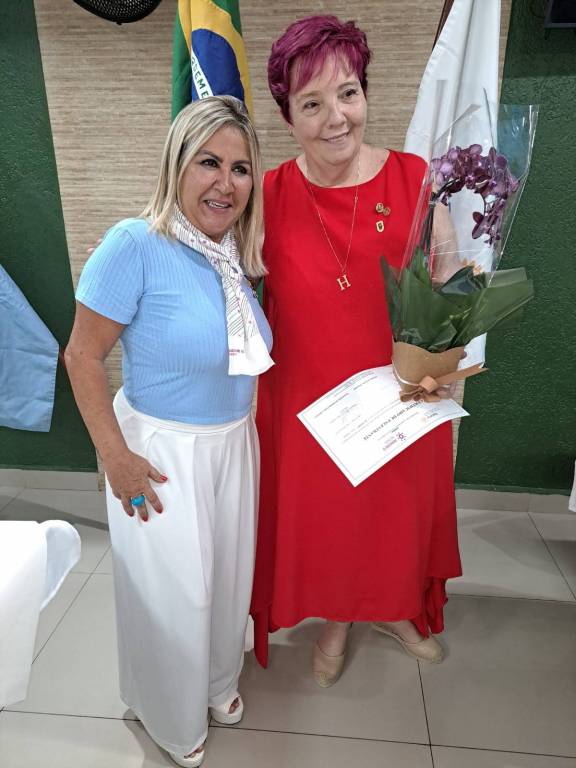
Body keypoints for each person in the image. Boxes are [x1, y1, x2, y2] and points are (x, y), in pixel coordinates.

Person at [250, 15, 462, 685]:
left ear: (365, 93)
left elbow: (449, 282)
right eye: (311, 103)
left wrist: (446, 362)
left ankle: (395, 608)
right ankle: (337, 618)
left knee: (395, 513)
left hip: (400, 390)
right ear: (287, 117)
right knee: (332, 519)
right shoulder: (267, 194)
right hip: (307, 398)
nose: (335, 117)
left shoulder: (413, 178)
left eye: (347, 93)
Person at [65, 96, 272, 767]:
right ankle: (169, 714)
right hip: (160, 450)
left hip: (232, 443)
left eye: (240, 168)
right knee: (176, 594)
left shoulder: (233, 255)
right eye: (208, 162)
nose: (225, 183)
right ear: (176, 164)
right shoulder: (135, 244)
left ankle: (214, 684)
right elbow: (81, 355)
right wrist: (115, 457)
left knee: (226, 583)